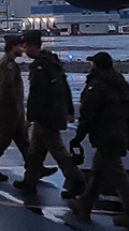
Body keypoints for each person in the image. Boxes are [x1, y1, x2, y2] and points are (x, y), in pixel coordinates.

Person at [68, 52, 129, 229]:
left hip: (105, 136)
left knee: (119, 177)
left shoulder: (97, 87)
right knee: (98, 173)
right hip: (119, 135)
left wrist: (78, 137)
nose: (90, 67)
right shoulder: (121, 85)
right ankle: (84, 205)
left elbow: (88, 115)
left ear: (97, 66)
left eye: (92, 63)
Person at [14, 30, 85, 196]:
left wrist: (29, 118)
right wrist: (69, 110)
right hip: (53, 113)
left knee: (57, 150)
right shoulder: (52, 62)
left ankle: (77, 180)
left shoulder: (40, 66)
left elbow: (37, 94)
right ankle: (30, 180)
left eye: (26, 47)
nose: (24, 50)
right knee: (35, 151)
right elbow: (64, 87)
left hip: (47, 115)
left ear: (32, 45)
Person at [0, 35, 31, 182]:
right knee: (2, 140)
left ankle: (35, 167)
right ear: (13, 46)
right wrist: (16, 110)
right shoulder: (7, 64)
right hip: (9, 109)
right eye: (20, 46)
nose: (23, 50)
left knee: (23, 140)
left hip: (13, 108)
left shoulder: (11, 63)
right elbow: (6, 88)